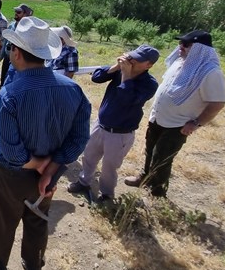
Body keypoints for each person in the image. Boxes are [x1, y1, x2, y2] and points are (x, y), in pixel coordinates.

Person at [0, 17, 91, 270]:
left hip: (11, 176)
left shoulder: (9, 95)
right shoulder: (74, 91)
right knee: (38, 219)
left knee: (5, 221)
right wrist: (51, 169)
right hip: (47, 176)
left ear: (16, 52)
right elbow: (79, 138)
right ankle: (34, 263)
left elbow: (13, 152)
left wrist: (38, 164)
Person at [125, 30, 225, 198]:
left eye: (186, 44)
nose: (181, 46)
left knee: (162, 159)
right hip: (158, 118)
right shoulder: (181, 62)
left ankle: (157, 192)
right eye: (181, 43)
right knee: (150, 151)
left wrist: (196, 123)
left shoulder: (210, 72)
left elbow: (217, 103)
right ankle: (144, 178)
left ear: (199, 49)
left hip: (177, 125)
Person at [67, 45, 160, 202]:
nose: (132, 61)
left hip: (120, 133)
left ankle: (107, 193)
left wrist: (126, 75)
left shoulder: (149, 84)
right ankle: (83, 182)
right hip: (100, 125)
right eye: (132, 56)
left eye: (138, 60)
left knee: (109, 167)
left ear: (148, 65)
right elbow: (96, 77)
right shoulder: (120, 70)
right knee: (89, 156)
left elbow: (126, 99)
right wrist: (116, 67)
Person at [0, 3, 32, 87]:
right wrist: (0, 58)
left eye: (18, 12)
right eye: (15, 11)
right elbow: (5, 43)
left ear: (25, 14)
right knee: (3, 82)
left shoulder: (28, 29)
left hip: (19, 60)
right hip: (7, 58)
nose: (16, 13)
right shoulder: (11, 25)